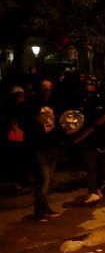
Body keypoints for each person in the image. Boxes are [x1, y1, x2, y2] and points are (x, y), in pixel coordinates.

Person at [26, 83, 62, 221]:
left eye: (49, 86)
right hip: (39, 147)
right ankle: (39, 210)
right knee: (43, 179)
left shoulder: (54, 103)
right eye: (44, 86)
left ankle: (44, 206)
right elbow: (29, 123)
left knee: (49, 180)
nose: (47, 89)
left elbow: (57, 122)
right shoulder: (33, 104)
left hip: (52, 145)